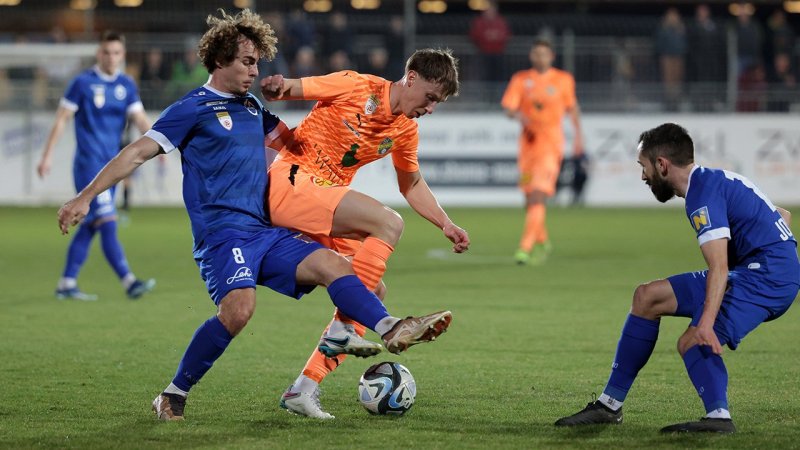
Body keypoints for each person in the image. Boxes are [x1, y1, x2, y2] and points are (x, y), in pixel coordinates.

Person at [56, 9, 452, 422]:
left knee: (337, 266)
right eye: (247, 62)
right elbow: (137, 152)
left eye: (257, 62)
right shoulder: (191, 108)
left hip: (266, 229)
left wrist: (344, 136)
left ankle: (388, 327)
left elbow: (295, 146)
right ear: (220, 60)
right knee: (239, 311)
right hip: (222, 233)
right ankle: (174, 393)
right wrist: (85, 197)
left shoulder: (251, 108)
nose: (254, 71)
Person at [260, 47, 470, 419]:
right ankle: (358, 330)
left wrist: (445, 223)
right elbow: (293, 88)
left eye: (437, 103)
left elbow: (412, 184)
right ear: (412, 78)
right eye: (430, 98)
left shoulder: (405, 129)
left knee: (370, 291)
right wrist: (278, 86)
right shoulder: (355, 86)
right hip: (292, 180)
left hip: (321, 198)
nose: (431, 108)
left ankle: (303, 389)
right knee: (389, 223)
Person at [554, 123, 799, 433]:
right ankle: (609, 405)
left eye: (643, 167)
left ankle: (719, 418)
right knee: (647, 297)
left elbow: (719, 267)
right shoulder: (715, 180)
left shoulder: (702, 196)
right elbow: (783, 215)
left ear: (662, 165)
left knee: (693, 340)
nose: (643, 176)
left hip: (767, 280)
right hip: (765, 270)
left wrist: (706, 324)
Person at [37, 30, 155, 301]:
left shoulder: (126, 84)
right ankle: (129, 281)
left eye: (116, 53)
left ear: (122, 55)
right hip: (89, 166)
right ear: (98, 53)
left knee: (91, 225)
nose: (111, 57)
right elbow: (62, 119)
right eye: (106, 52)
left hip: (113, 169)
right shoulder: (82, 83)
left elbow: (139, 119)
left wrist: (161, 146)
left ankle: (67, 283)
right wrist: (47, 156)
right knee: (108, 221)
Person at [501, 39, 583, 266]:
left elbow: (572, 108)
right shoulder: (521, 79)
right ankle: (543, 240)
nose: (540, 58)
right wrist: (519, 116)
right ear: (531, 56)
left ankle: (524, 248)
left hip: (551, 145)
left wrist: (579, 138)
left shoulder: (563, 80)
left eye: (544, 54)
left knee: (538, 194)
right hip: (527, 146)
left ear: (551, 56)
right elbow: (509, 107)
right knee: (529, 198)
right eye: (536, 54)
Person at [468, 0, 510, 82]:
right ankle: (484, 94)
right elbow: (474, 35)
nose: (489, 11)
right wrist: (487, 36)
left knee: (498, 77)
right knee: (484, 77)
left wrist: (495, 36)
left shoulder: (500, 21)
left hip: (498, 54)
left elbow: (506, 35)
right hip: (483, 53)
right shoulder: (479, 22)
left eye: (491, 9)